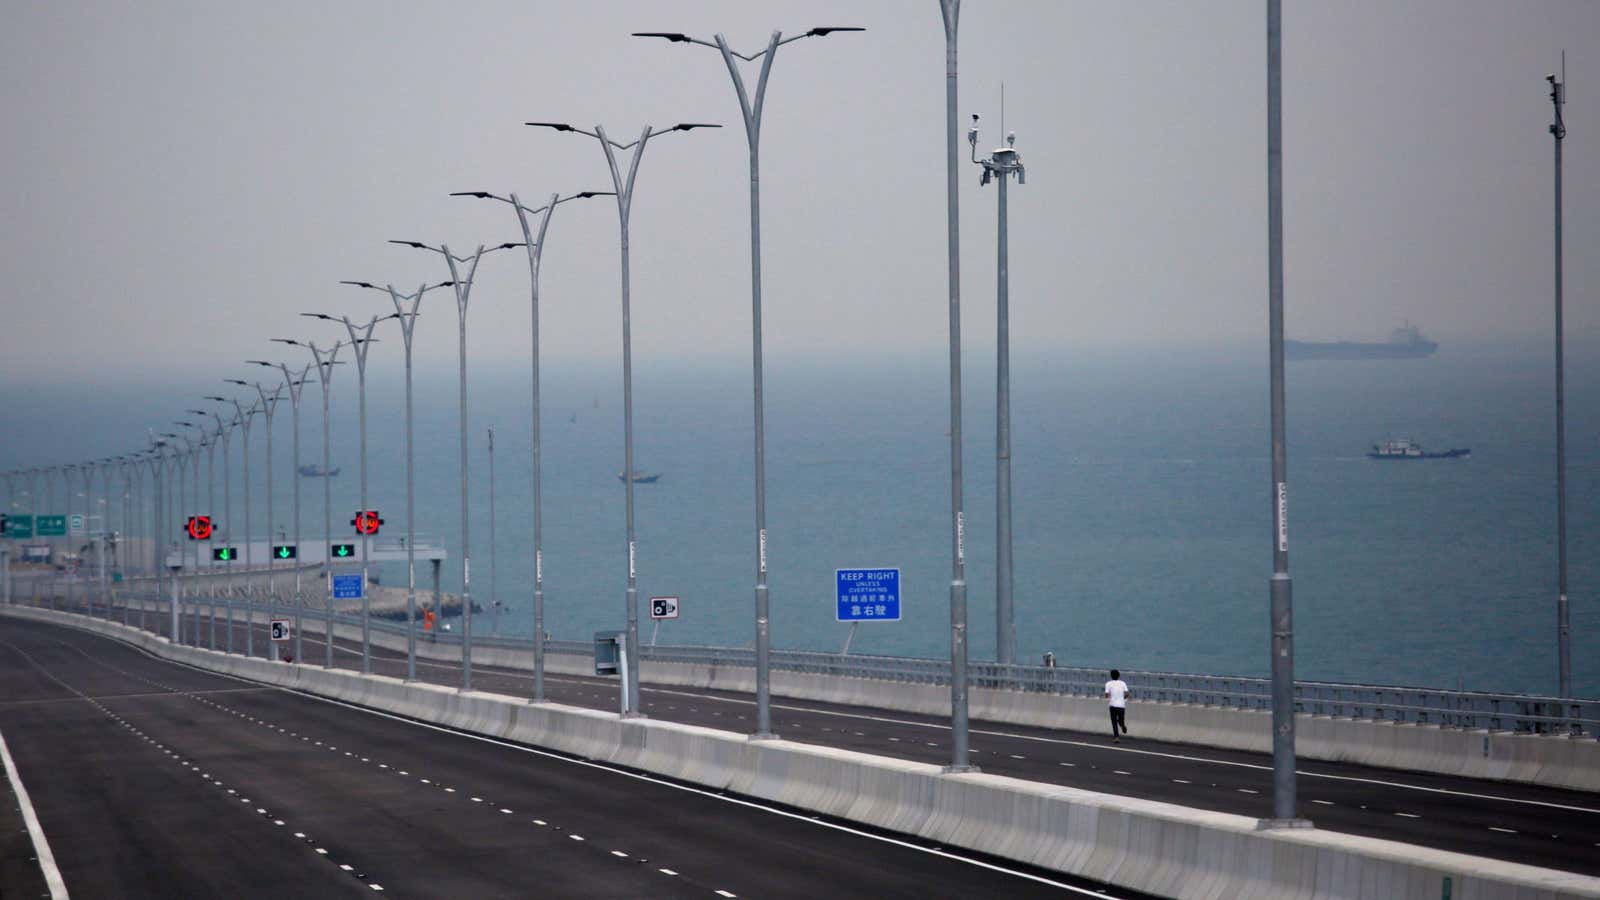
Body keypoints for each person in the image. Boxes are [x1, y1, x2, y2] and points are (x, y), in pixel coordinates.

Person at [1104, 669, 1130, 743]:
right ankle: (1122, 726)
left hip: (1112, 705)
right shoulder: (1123, 683)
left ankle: (1116, 737)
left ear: (1111, 676)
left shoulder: (1108, 684)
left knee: (1114, 722)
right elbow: (1127, 694)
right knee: (1121, 720)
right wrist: (1122, 698)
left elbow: (1106, 695)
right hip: (1121, 705)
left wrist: (1110, 696)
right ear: (1119, 675)